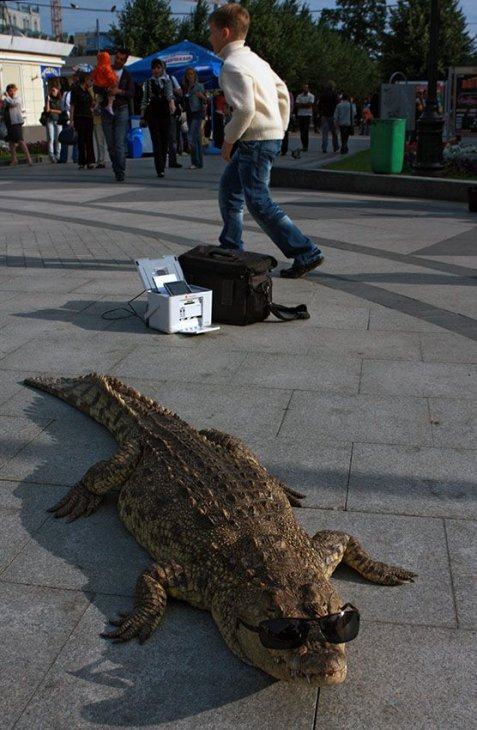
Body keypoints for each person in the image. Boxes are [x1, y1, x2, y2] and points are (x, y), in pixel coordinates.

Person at [209, 4, 324, 279]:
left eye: (211, 33)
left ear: (225, 33)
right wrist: (279, 127)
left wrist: (228, 140)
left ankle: (305, 251)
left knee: (259, 202)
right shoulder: (257, 61)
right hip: (265, 136)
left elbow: (245, 110)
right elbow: (283, 92)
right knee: (229, 189)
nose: (209, 38)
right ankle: (231, 246)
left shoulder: (232, 66)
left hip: (254, 140)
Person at [101, 48, 135, 182]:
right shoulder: (106, 70)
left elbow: (131, 93)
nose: (119, 61)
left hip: (121, 109)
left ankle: (120, 171)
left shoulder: (127, 75)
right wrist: (105, 89)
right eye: (117, 58)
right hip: (106, 110)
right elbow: (97, 86)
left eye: (122, 59)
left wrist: (119, 91)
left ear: (125, 61)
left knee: (119, 143)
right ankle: (116, 167)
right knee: (110, 144)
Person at [140, 58, 175, 178]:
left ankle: (163, 165)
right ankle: (159, 168)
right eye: (154, 68)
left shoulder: (167, 80)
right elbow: (145, 99)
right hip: (152, 113)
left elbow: (170, 94)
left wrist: (172, 104)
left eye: (158, 67)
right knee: (156, 141)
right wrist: (142, 115)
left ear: (162, 68)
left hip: (165, 112)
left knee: (165, 140)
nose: (156, 70)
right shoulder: (148, 82)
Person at [182, 67, 207, 170]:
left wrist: (202, 97)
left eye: (192, 74)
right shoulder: (186, 87)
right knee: (196, 139)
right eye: (188, 74)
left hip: (197, 113)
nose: (190, 76)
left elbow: (206, 99)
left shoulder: (199, 86)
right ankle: (199, 163)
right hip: (189, 114)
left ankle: (194, 162)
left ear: (195, 75)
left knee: (191, 137)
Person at [70, 71, 95, 169]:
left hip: (89, 117)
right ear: (85, 80)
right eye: (90, 80)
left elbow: (92, 103)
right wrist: (71, 120)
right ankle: (82, 161)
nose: (91, 82)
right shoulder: (76, 90)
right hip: (79, 117)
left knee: (89, 139)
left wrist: (93, 107)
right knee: (81, 140)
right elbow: (72, 106)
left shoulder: (89, 91)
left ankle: (91, 161)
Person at [2, 85, 32, 166]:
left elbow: (13, 103)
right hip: (9, 123)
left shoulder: (17, 98)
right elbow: (4, 108)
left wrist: (7, 97)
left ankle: (29, 159)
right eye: (10, 91)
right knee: (11, 142)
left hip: (16, 122)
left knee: (20, 140)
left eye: (13, 90)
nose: (11, 92)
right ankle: (14, 160)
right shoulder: (6, 100)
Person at [59, 76, 79, 164]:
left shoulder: (64, 94)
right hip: (72, 117)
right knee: (75, 137)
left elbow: (62, 106)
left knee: (65, 137)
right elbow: (71, 107)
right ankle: (76, 157)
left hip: (65, 118)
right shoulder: (72, 94)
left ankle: (63, 158)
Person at [91, 51, 117, 117]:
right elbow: (111, 78)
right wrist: (114, 83)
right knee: (112, 93)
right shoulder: (107, 68)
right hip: (105, 87)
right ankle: (110, 105)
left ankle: (96, 105)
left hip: (97, 87)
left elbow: (93, 76)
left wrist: (96, 82)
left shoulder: (97, 67)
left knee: (100, 95)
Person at [318, 83, 339, 153]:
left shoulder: (323, 95)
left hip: (324, 115)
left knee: (325, 133)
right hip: (333, 115)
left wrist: (321, 111)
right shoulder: (335, 95)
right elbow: (337, 104)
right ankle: (335, 146)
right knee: (334, 133)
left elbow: (319, 104)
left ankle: (324, 147)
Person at [295, 83, 314, 152]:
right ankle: (303, 145)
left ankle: (306, 146)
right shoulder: (299, 96)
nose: (305, 89)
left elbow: (310, 105)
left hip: (307, 115)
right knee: (302, 131)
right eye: (304, 88)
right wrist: (305, 105)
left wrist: (302, 105)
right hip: (300, 115)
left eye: (306, 88)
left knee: (305, 131)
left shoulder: (311, 96)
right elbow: (297, 105)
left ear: (308, 89)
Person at [45, 84, 61, 163]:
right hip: (50, 120)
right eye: (52, 90)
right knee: (51, 138)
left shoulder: (60, 99)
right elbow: (47, 110)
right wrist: (47, 100)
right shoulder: (49, 98)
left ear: (58, 91)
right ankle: (51, 156)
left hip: (58, 120)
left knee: (58, 138)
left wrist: (52, 110)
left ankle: (58, 156)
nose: (53, 92)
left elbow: (61, 111)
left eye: (54, 90)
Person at [280, 89, 294, 155]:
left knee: (285, 133)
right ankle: (281, 148)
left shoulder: (289, 94)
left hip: (285, 116)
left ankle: (284, 149)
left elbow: (291, 106)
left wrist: (289, 114)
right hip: (280, 115)